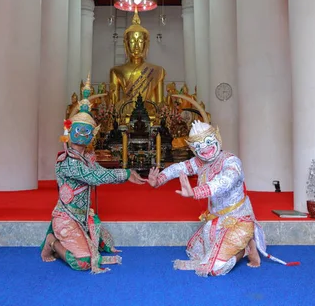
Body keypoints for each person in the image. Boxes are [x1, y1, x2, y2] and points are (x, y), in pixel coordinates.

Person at [148, 95, 297, 277]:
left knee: (213, 269)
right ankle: (242, 246)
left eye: (209, 142)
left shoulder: (231, 161)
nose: (205, 149)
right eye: (199, 146)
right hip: (216, 220)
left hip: (238, 221)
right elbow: (180, 168)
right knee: (196, 252)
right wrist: (160, 179)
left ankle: (245, 249)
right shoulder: (200, 161)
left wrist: (195, 191)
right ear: (194, 149)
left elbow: (224, 182)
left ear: (217, 138)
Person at [41, 77, 146, 274]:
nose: (82, 134)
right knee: (84, 262)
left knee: (106, 244)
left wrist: (126, 174)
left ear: (93, 136)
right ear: (69, 131)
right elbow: (93, 177)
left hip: (83, 217)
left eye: (87, 132)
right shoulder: (67, 162)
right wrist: (124, 174)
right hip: (67, 217)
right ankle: (53, 242)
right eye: (78, 130)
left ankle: (76, 239)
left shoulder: (87, 158)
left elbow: (99, 172)